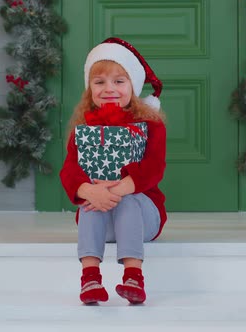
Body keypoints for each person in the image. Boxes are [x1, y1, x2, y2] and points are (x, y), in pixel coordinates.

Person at [59, 37, 167, 305]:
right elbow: (70, 169)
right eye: (100, 82)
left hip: (144, 218)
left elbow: (154, 169)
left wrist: (116, 190)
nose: (110, 89)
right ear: (89, 89)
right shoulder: (83, 127)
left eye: (119, 81)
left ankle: (133, 276)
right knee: (88, 202)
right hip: (100, 221)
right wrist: (88, 190)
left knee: (128, 200)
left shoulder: (149, 124)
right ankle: (90, 279)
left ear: (133, 85)